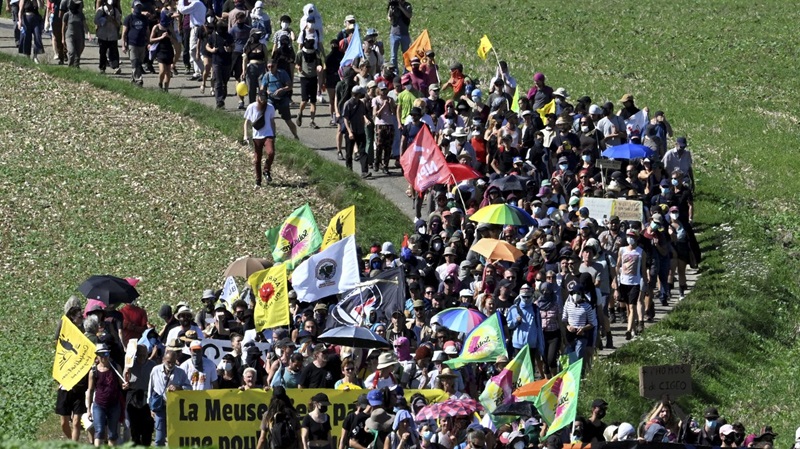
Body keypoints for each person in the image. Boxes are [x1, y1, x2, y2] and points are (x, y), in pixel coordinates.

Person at [148, 349, 191, 447]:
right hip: (159, 406)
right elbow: (150, 388)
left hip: (175, 408)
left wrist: (179, 388)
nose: (171, 364)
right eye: (168, 362)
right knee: (159, 438)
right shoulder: (155, 370)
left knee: (175, 435)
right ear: (163, 359)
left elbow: (189, 388)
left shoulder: (181, 372)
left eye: (173, 362)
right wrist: (151, 407)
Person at [86, 343, 124, 447]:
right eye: (101, 354)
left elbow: (122, 384)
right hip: (99, 405)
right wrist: (88, 409)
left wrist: (125, 385)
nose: (104, 357)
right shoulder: (93, 371)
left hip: (114, 405)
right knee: (99, 431)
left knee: (112, 434)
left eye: (106, 353)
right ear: (97, 356)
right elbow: (90, 390)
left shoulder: (116, 367)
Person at [616, 229, 647, 340]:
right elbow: (618, 265)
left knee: (633, 307)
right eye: (628, 236)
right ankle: (633, 329)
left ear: (637, 238)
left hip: (635, 283)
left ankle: (628, 331)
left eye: (632, 236)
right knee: (628, 309)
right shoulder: (622, 250)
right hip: (623, 282)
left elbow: (643, 269)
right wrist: (615, 281)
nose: (630, 238)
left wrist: (645, 283)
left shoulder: (641, 252)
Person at [243, 89, 277, 186]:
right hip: (257, 136)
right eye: (261, 97)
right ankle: (258, 180)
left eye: (264, 98)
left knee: (271, 153)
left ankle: (266, 170)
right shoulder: (251, 107)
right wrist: (246, 135)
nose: (262, 100)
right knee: (257, 159)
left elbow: (272, 121)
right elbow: (246, 122)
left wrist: (273, 134)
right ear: (258, 97)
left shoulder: (270, 107)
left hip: (268, 134)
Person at [124, 345, 157, 446]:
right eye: (139, 354)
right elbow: (124, 380)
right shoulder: (130, 365)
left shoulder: (153, 365)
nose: (142, 356)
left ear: (148, 354)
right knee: (134, 427)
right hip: (133, 397)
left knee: (147, 427)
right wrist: (126, 375)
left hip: (147, 398)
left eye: (144, 354)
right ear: (136, 354)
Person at [261, 60, 300, 139]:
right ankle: (273, 137)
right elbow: (262, 88)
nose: (270, 68)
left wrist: (281, 90)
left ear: (276, 65)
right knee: (270, 119)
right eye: (269, 67)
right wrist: (266, 92)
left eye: (272, 66)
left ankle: (295, 136)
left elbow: (290, 86)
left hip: (283, 99)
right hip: (271, 99)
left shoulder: (282, 73)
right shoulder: (266, 76)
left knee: (288, 120)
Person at [342, 85, 372, 178]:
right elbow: (346, 119)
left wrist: (366, 120)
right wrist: (350, 132)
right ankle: (349, 171)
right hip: (351, 131)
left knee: (363, 151)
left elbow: (363, 114)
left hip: (360, 130)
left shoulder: (361, 103)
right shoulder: (348, 104)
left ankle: (364, 171)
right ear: (357, 94)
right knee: (349, 152)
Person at [295, 38, 323, 129]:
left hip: (313, 78)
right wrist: (298, 67)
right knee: (305, 100)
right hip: (304, 78)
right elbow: (296, 63)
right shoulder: (300, 53)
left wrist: (319, 67)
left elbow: (319, 63)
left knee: (313, 101)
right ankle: (300, 113)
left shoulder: (316, 53)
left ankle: (312, 121)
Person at [206, 21, 234, 108]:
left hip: (227, 62)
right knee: (218, 82)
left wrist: (230, 49)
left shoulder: (228, 36)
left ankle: (223, 97)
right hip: (216, 62)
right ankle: (219, 101)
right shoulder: (213, 36)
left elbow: (233, 45)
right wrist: (212, 50)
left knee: (224, 82)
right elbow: (207, 46)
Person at [150, 10, 179, 91]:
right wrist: (161, 37)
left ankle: (166, 88)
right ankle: (160, 83)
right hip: (160, 51)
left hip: (169, 51)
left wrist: (169, 37)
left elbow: (175, 41)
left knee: (168, 72)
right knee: (162, 70)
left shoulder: (170, 27)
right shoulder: (156, 27)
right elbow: (151, 39)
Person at [122, 3, 148, 86]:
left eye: (140, 7)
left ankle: (133, 78)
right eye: (137, 7)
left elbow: (147, 31)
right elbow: (124, 33)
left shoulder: (144, 18)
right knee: (135, 62)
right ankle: (139, 80)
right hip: (132, 44)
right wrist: (123, 44)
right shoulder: (129, 18)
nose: (138, 8)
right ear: (133, 8)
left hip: (142, 44)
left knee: (139, 63)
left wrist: (149, 41)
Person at [241, 29, 269, 106]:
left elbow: (266, 59)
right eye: (256, 35)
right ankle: (252, 105)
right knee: (251, 88)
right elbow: (245, 60)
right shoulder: (248, 47)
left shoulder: (263, 46)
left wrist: (268, 70)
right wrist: (244, 71)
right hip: (251, 68)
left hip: (261, 67)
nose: (258, 36)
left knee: (262, 88)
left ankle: (262, 104)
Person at [95, 0, 121, 73]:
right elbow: (96, 20)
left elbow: (118, 23)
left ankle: (116, 66)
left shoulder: (116, 11)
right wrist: (104, 20)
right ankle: (102, 68)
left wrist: (112, 20)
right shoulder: (100, 10)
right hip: (102, 35)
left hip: (112, 35)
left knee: (113, 52)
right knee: (102, 52)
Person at [386, 0, 412, 69]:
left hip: (404, 34)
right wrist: (391, 9)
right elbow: (389, 18)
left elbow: (409, 15)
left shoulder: (407, 5)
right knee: (393, 56)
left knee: (406, 55)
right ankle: (394, 71)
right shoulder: (393, 5)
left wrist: (400, 7)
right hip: (394, 34)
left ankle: (406, 71)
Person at [61, 0, 85, 67]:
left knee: (78, 54)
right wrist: (63, 38)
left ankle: (76, 67)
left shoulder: (81, 15)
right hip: (69, 36)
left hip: (79, 36)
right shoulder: (67, 15)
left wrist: (88, 34)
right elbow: (63, 27)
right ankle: (70, 66)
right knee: (71, 52)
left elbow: (84, 25)